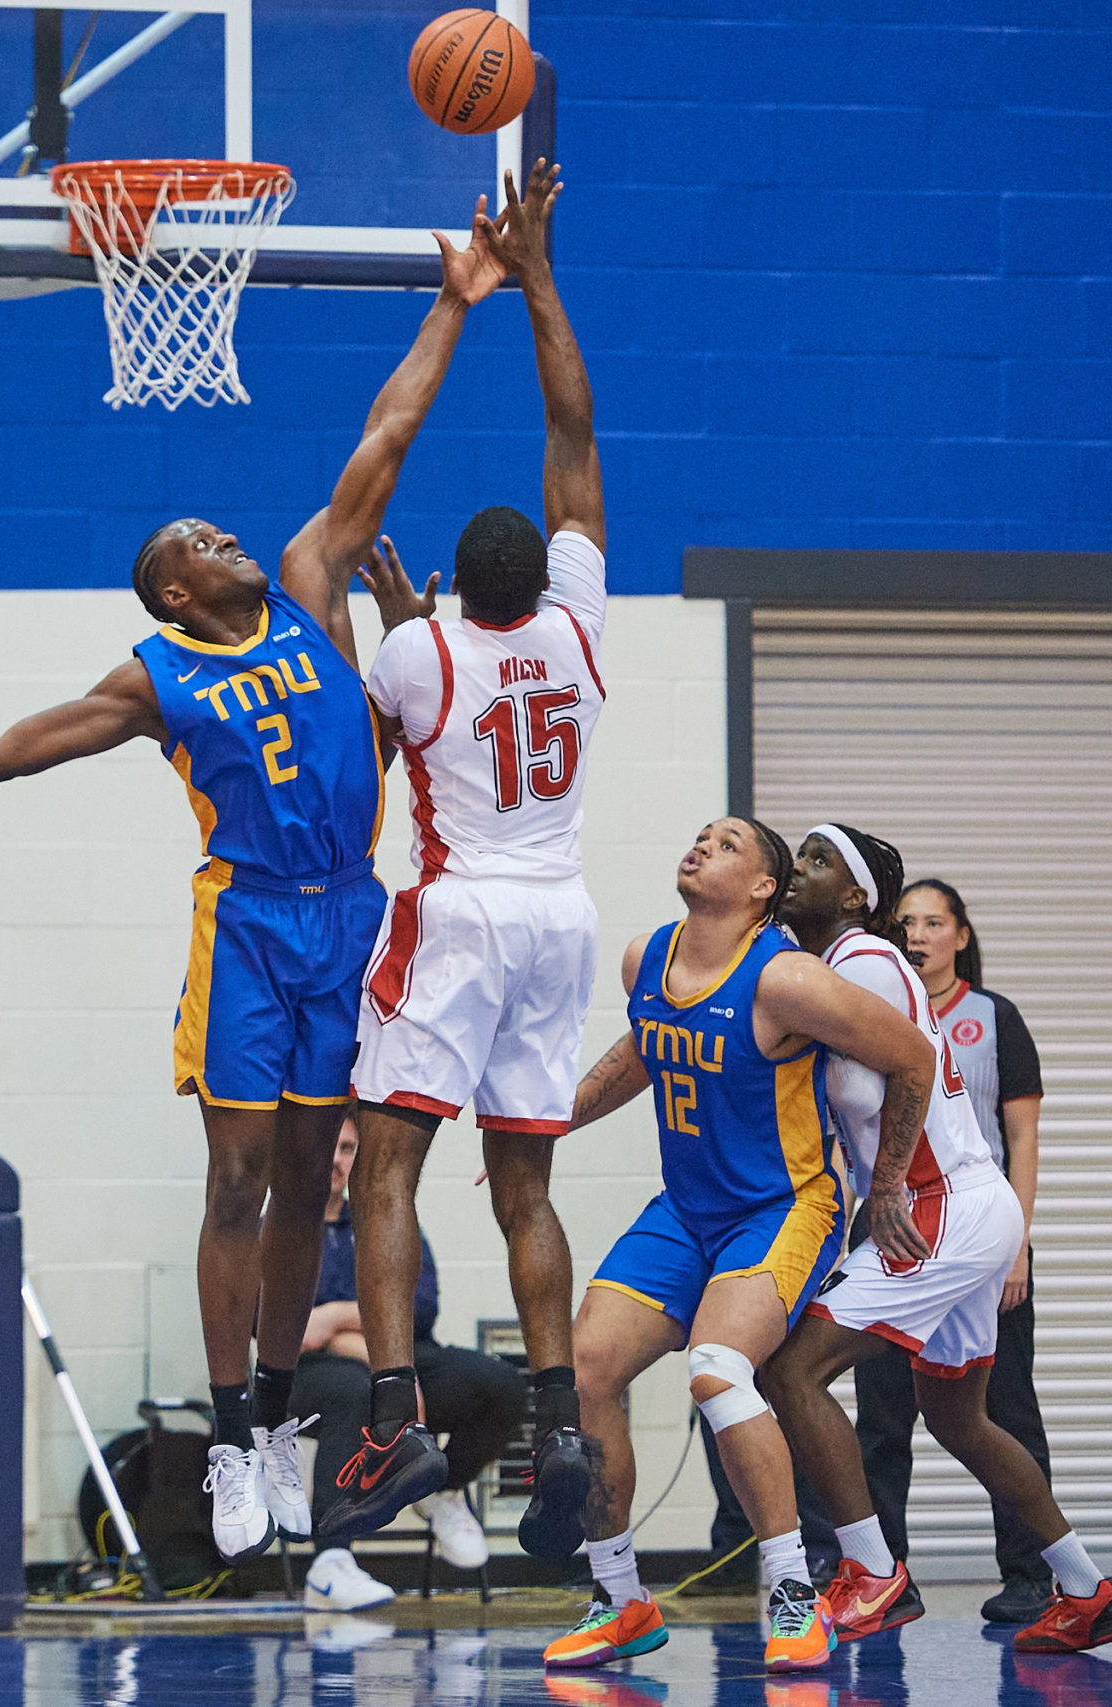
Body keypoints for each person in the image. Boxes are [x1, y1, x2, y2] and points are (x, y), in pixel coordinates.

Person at [0, 219, 509, 1564]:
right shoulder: (158, 675)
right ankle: (227, 1439)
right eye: (203, 538)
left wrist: (454, 303)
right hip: (254, 924)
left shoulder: (316, 591)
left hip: (353, 915)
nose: (228, 534)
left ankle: (272, 1424)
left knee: (304, 1201)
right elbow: (7, 752)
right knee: (238, 1178)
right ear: (174, 586)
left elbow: (386, 436)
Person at [329, 160, 608, 1557]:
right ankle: (562, 1423)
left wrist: (398, 630)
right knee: (529, 1191)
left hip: (458, 915)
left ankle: (392, 1418)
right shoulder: (581, 632)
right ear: (548, 579)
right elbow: (573, 419)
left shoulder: (414, 650)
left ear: (446, 581)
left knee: (384, 1166)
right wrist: (539, 271)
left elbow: (363, 760)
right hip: (562, 912)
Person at [542, 817, 939, 1675]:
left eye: (726, 844)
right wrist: (556, 1116)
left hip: (784, 1204)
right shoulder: (645, 956)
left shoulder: (788, 979)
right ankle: (620, 1597)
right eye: (697, 837)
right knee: (588, 1367)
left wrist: (894, 1183)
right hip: (686, 1211)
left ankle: (794, 1588)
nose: (699, 847)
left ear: (765, 887)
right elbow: (646, 1048)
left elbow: (914, 1055)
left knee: (718, 1366)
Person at [762, 824, 1112, 1658]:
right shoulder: (846, 967)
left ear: (859, 897)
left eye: (819, 861)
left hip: (941, 1204)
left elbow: (910, 1069)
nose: (799, 869)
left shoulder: (859, 960)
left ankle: (870, 1570)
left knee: (793, 1369)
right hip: (969, 1201)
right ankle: (1088, 1589)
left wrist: (887, 1184)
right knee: (958, 1417)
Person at [859, 875, 1055, 1624]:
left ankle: (1035, 1574)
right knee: (881, 1416)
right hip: (895, 1234)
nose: (918, 933)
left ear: (961, 936)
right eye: (905, 920)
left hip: (979, 1238)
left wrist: (1020, 1246)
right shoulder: (872, 1011)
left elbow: (1024, 1137)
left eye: (934, 921)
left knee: (1003, 1410)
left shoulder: (993, 1018)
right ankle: (881, 1573)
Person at [290, 1118, 526, 1610]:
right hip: (310, 1375)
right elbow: (296, 1330)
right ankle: (330, 1562)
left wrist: (334, 1316)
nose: (337, 1159)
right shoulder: (283, 1227)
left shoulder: (384, 1216)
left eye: (349, 1148)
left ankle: (442, 1491)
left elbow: (419, 1307)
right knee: (359, 1394)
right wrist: (369, 1351)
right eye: (329, 1146)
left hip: (405, 1354)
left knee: (499, 1384)